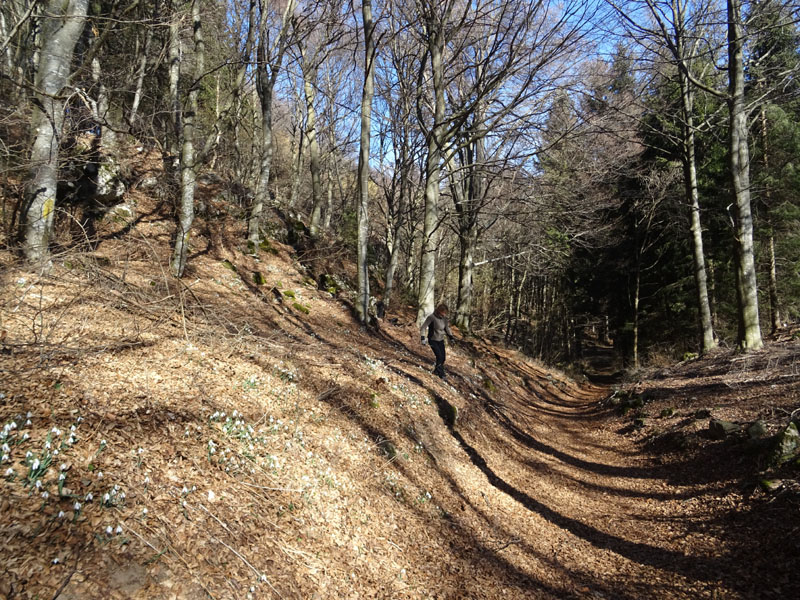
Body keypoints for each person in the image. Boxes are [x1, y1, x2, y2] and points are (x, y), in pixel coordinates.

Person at [420, 304, 455, 379]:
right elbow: (423, 327)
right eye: (443, 312)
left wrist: (451, 337)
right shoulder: (431, 317)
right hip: (433, 340)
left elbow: (447, 329)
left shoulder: (444, 319)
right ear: (440, 311)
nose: (444, 314)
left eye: (445, 313)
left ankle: (436, 371)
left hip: (441, 340)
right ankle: (441, 373)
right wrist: (423, 338)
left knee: (443, 358)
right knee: (439, 356)